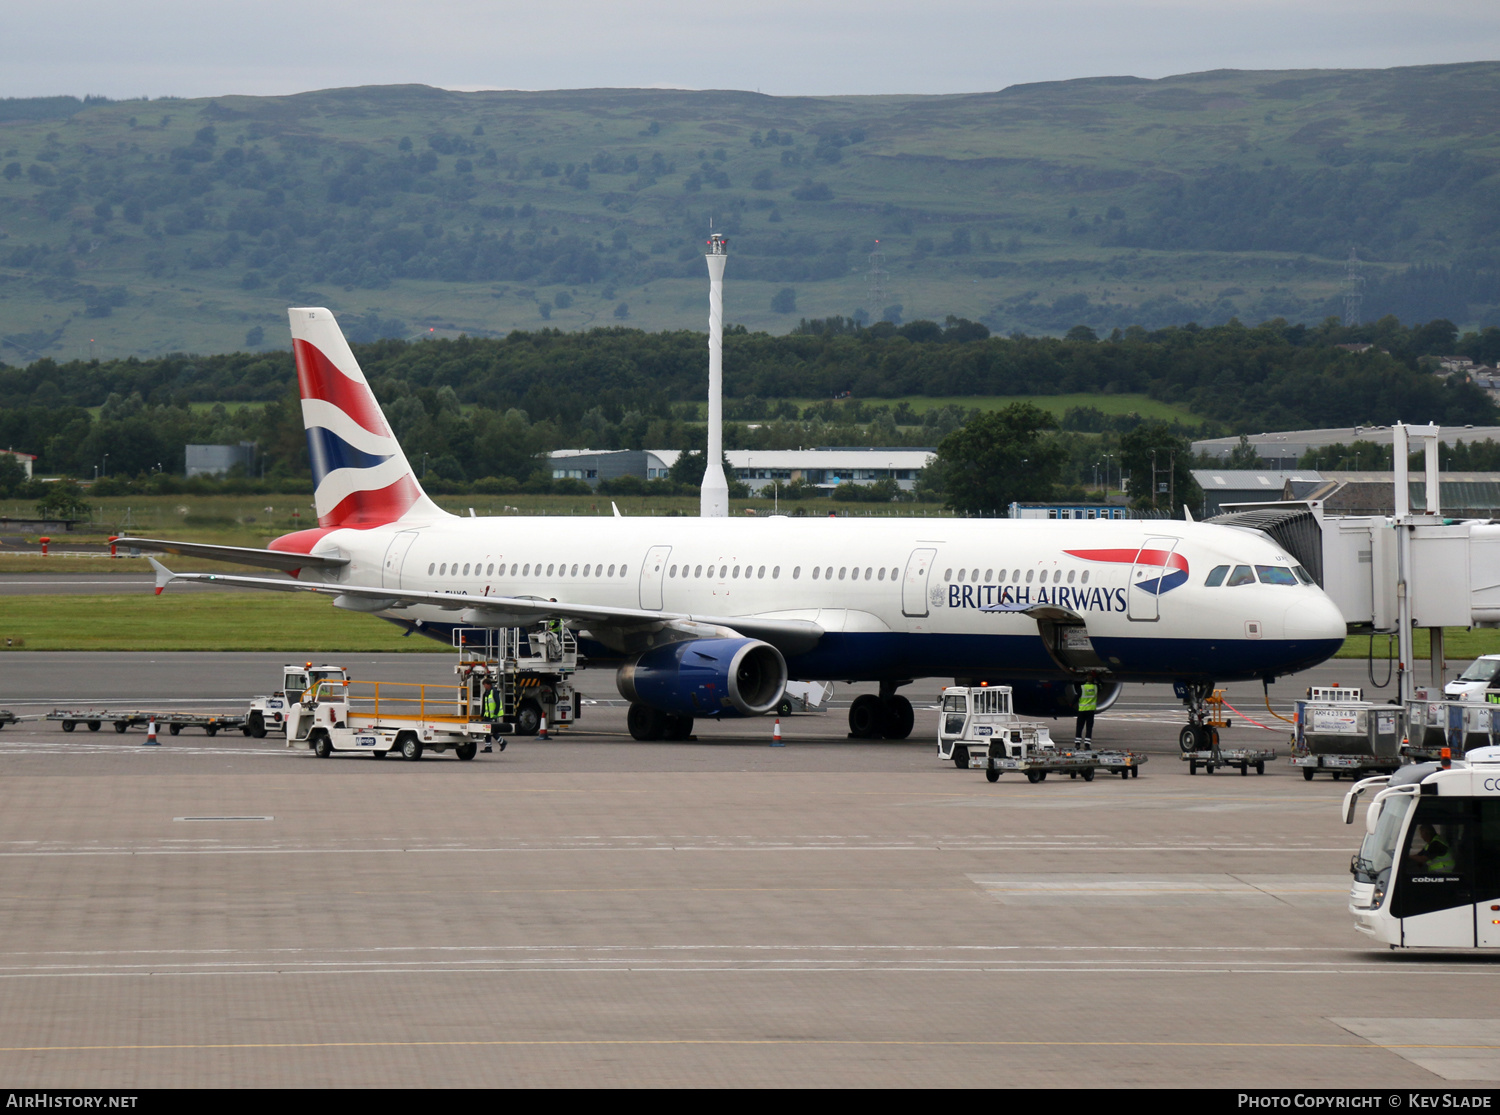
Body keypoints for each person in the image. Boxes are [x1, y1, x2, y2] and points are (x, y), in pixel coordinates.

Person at [480, 676, 506, 753]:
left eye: (484, 685)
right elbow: (485, 705)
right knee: (487, 731)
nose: (484, 686)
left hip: (492, 716)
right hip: (487, 715)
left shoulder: (493, 692)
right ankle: (488, 747)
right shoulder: (486, 693)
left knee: (492, 731)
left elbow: (498, 703)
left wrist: (495, 714)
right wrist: (482, 715)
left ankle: (502, 742)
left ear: (488, 684)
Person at [1074, 674, 1098, 749]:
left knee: (1079, 727)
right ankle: (1087, 745)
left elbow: (1076, 697)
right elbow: (1100, 685)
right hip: (1090, 711)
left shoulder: (1082, 687)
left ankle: (1077, 743)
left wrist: (1071, 704)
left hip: (1082, 710)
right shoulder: (1095, 687)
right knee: (1089, 728)